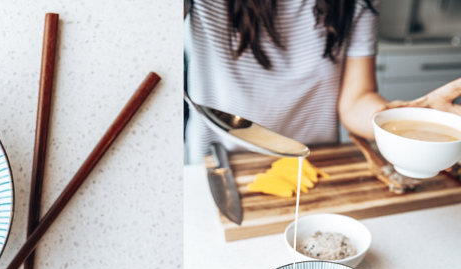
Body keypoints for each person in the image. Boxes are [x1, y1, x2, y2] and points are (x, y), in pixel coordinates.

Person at [184, 0, 461, 162]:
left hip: (315, 159)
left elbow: (356, 100)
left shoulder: (356, 3)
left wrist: (405, 119)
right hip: (219, 160)